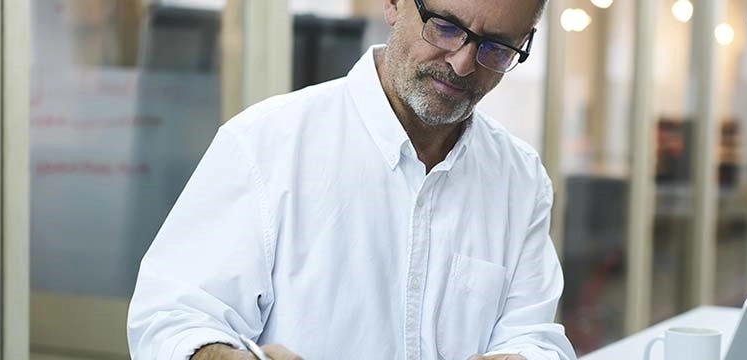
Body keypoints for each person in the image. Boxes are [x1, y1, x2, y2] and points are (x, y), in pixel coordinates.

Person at [126, 0, 576, 359]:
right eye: (444, 26)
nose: (461, 64)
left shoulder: (519, 178)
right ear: (396, 4)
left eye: (495, 48)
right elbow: (170, 320)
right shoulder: (266, 144)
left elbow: (534, 336)